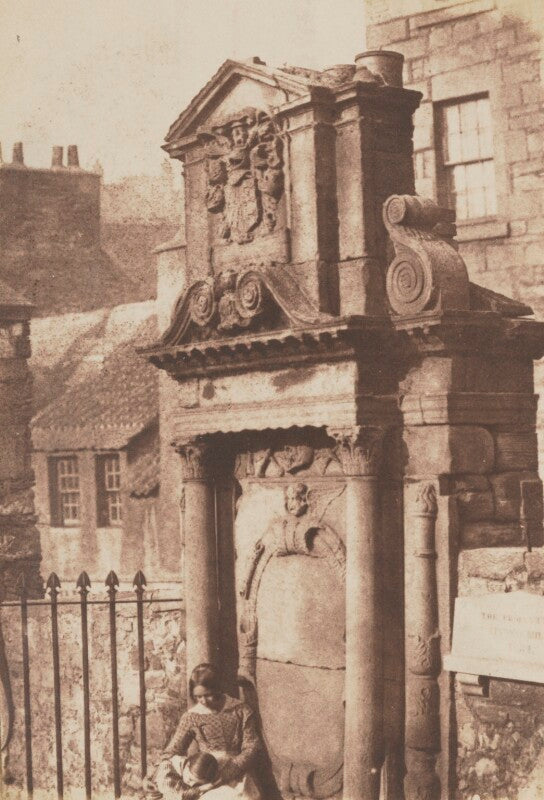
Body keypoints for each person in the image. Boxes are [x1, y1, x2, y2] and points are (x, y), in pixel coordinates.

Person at [156, 663, 262, 800]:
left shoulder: (240, 710)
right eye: (198, 697)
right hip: (204, 772)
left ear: (218, 689)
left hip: (236, 772)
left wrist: (230, 770)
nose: (203, 701)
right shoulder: (192, 716)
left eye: (208, 695)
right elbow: (173, 750)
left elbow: (251, 746)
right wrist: (153, 775)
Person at [154, 752, 220, 800]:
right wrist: (200, 789)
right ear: (187, 765)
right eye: (190, 779)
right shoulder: (167, 774)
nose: (191, 785)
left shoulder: (189, 766)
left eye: (197, 784)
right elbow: (182, 797)